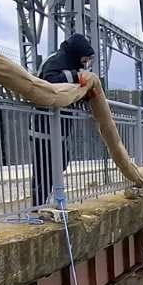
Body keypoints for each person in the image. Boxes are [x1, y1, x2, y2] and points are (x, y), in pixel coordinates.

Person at [32, 33, 95, 208]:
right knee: (43, 168)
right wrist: (76, 76)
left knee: (61, 160)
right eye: (85, 57)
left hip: (59, 127)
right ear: (77, 53)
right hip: (44, 126)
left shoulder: (69, 62)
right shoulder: (55, 61)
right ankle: (37, 206)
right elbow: (49, 83)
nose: (86, 61)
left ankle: (44, 201)